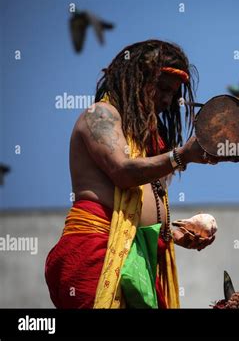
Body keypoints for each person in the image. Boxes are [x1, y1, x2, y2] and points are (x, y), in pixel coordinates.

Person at [45, 40, 217, 309]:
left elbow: (135, 211)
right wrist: (181, 156)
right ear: (136, 79)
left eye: (173, 93)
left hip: (135, 257)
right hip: (94, 250)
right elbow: (122, 172)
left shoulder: (144, 140)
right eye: (162, 88)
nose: (167, 100)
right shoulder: (99, 115)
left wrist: (173, 234)